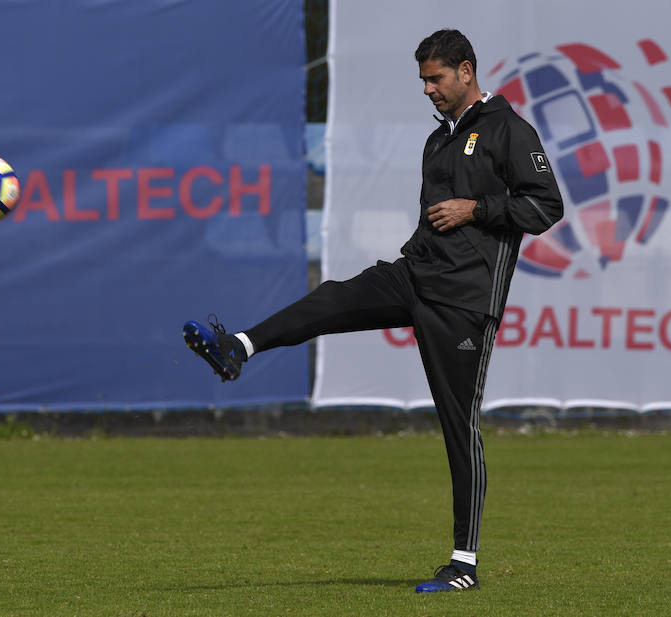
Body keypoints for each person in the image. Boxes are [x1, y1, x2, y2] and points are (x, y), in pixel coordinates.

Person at [183, 29, 563, 593]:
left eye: (436, 78)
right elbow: (436, 218)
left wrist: (476, 207)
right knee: (333, 297)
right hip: (417, 275)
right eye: (423, 81)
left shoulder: (507, 128)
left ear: (466, 71)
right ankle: (239, 347)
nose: (429, 90)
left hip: (464, 303)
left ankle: (464, 564)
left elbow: (547, 204)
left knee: (460, 429)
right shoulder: (439, 140)